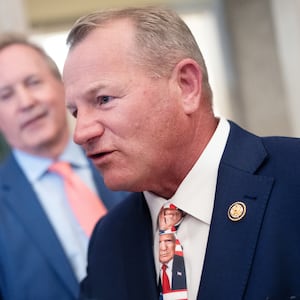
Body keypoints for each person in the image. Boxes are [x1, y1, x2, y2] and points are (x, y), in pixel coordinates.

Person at [62, 6, 300, 300]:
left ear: (186, 85)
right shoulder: (109, 240)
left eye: (103, 99)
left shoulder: (294, 179)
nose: (80, 133)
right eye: (75, 112)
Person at [0, 33, 128, 300]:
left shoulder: (129, 160)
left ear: (62, 86)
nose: (26, 102)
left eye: (33, 82)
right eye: (5, 95)